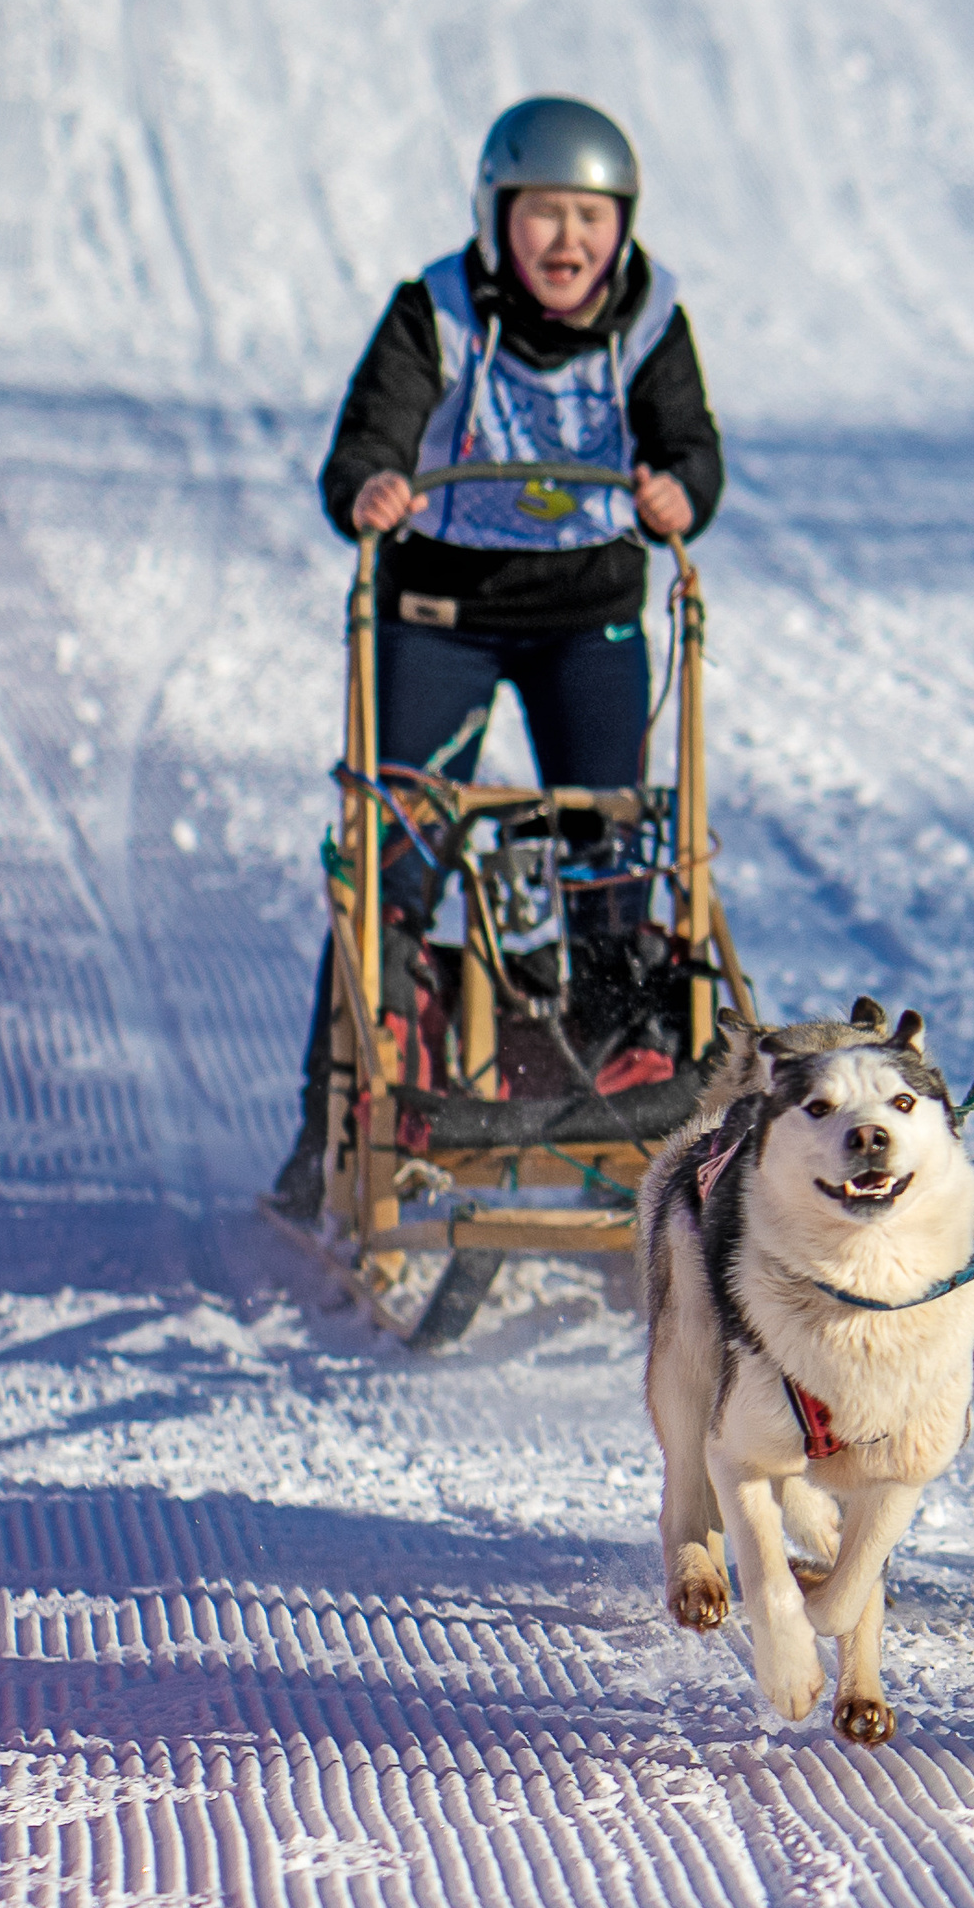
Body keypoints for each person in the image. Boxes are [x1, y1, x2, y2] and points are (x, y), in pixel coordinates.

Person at [270, 95, 724, 1219]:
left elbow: (690, 450)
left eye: (589, 216)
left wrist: (679, 492)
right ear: (494, 217)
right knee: (400, 846)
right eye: (542, 215)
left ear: (621, 226)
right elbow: (366, 444)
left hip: (591, 613)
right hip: (442, 609)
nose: (567, 241)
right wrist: (373, 486)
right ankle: (335, 1122)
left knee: (613, 849)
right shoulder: (434, 310)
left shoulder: (653, 316)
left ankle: (613, 1100)